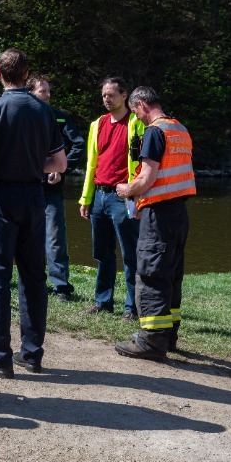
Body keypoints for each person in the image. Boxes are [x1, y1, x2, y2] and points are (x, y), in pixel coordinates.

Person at [0, 50, 67, 378]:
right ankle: (32, 354)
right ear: (27, 75)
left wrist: (3, 163)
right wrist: (30, 164)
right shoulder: (44, 111)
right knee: (34, 276)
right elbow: (60, 164)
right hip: (34, 197)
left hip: (1, 199)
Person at [114, 87, 196, 360]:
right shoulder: (180, 129)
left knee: (151, 274)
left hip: (159, 217)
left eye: (134, 110)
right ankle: (169, 335)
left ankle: (151, 341)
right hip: (178, 214)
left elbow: (147, 177)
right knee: (171, 275)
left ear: (141, 105)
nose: (134, 116)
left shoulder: (154, 132)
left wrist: (128, 191)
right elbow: (172, 176)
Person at [79, 77, 145, 320]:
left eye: (112, 95)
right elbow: (91, 164)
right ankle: (103, 301)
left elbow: (144, 161)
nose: (107, 99)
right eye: (104, 95)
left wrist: (136, 192)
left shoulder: (137, 122)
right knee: (102, 253)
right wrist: (86, 198)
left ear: (124, 95)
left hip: (124, 197)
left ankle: (132, 307)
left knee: (130, 254)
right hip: (100, 195)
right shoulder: (97, 124)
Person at [27, 74, 86, 302]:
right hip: (26, 188)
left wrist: (62, 169)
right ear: (31, 92)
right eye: (43, 91)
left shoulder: (60, 119)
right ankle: (33, 283)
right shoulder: (23, 117)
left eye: (49, 91)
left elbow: (78, 145)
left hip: (51, 192)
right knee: (29, 239)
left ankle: (61, 287)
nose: (49, 95)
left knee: (54, 239)